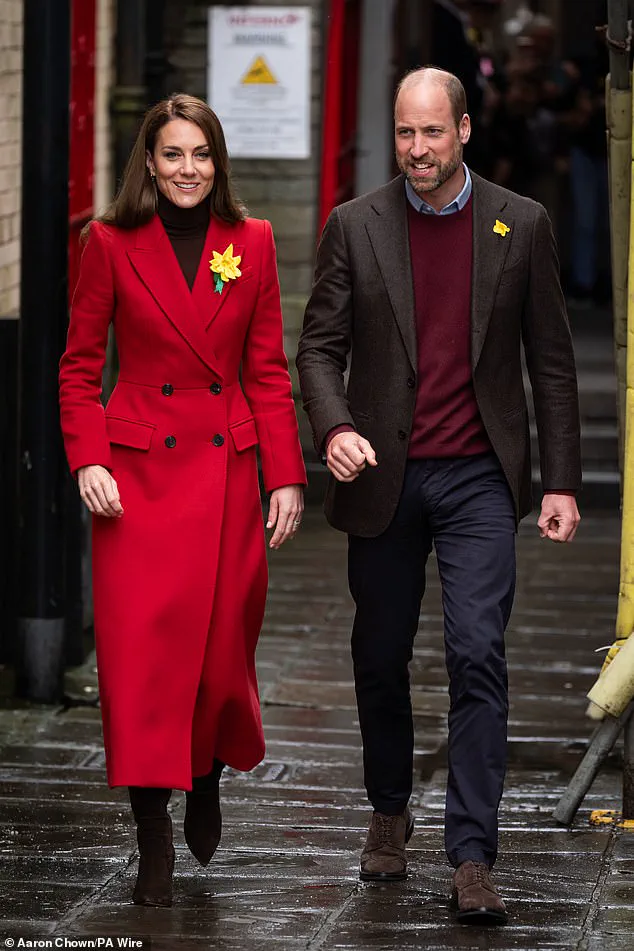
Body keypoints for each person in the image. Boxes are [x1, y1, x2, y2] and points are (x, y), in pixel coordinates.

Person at [296, 67, 580, 925]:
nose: (416, 150)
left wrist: (560, 478)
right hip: (383, 471)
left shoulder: (520, 224)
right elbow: (317, 349)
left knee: (477, 650)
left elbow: (552, 361)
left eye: (431, 133)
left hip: (479, 478)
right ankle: (389, 808)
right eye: (404, 134)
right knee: (380, 654)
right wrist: (336, 426)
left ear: (462, 130)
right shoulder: (356, 225)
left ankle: (472, 854)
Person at [59, 94, 306, 907]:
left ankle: (205, 774)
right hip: (136, 483)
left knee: (219, 655)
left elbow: (267, 371)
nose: (187, 169)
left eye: (200, 154)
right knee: (142, 666)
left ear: (219, 161)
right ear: (150, 163)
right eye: (171, 154)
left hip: (229, 473)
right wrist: (88, 459)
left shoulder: (255, 243)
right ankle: (152, 830)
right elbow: (78, 367)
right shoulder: (108, 241)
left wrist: (286, 474)